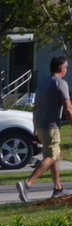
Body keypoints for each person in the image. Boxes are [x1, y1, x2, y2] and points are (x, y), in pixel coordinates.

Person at [17, 56, 72, 202]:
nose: (67, 69)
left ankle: (58, 188)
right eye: (66, 67)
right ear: (61, 68)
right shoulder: (61, 83)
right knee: (52, 156)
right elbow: (67, 107)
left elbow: (36, 107)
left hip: (41, 126)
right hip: (51, 127)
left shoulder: (44, 83)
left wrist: (35, 127)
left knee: (55, 156)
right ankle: (27, 184)